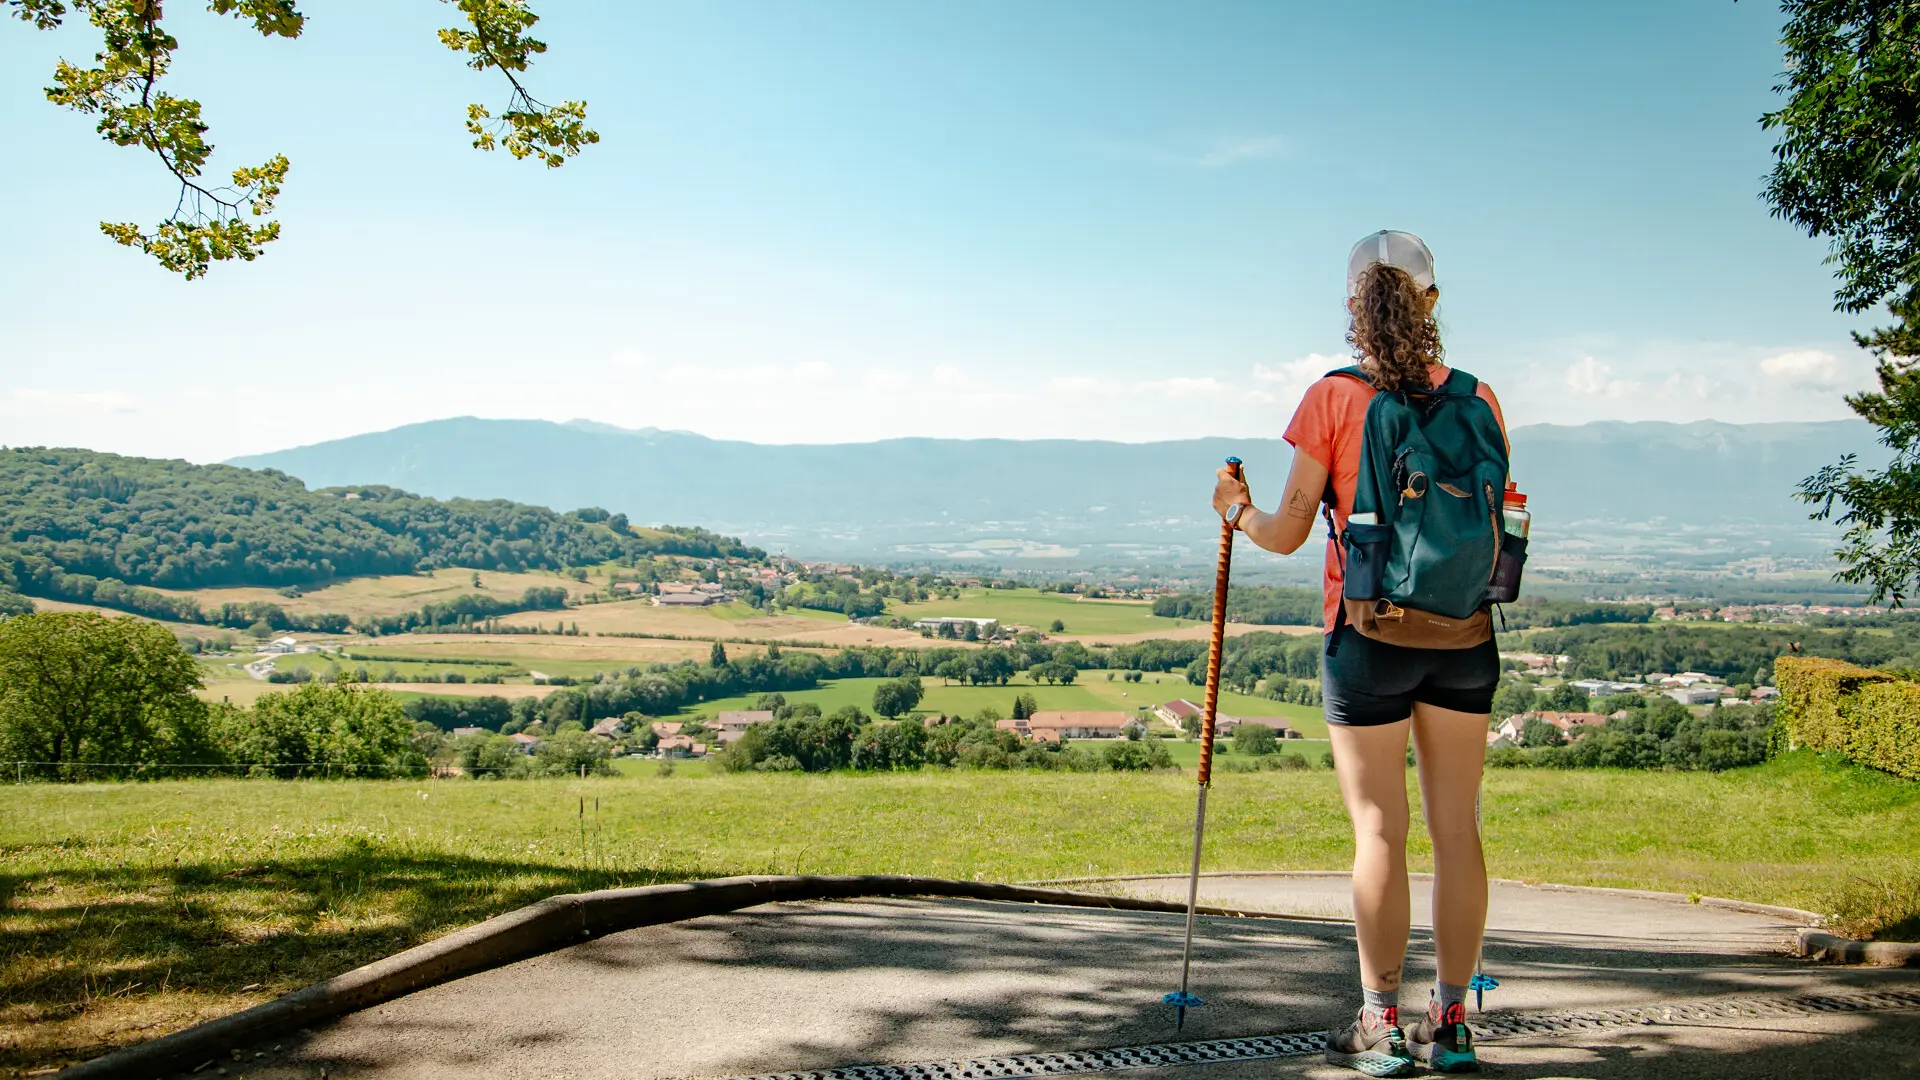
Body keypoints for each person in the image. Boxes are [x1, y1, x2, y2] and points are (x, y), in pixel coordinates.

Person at [1211, 230, 1507, 1077]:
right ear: (1432, 303)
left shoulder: (1334, 398)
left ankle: (1379, 1024)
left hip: (1367, 638)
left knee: (1381, 830)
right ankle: (1449, 1024)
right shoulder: (1481, 399)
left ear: (1353, 305)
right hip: (1466, 638)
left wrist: (1234, 510)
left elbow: (1290, 529)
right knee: (1459, 831)